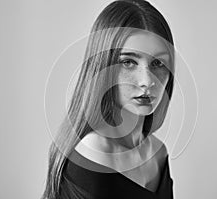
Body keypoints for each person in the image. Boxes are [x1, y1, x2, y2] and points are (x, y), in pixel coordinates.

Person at [42, 0, 175, 198]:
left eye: (158, 63)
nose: (147, 81)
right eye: (128, 62)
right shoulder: (93, 152)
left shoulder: (158, 153)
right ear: (103, 67)